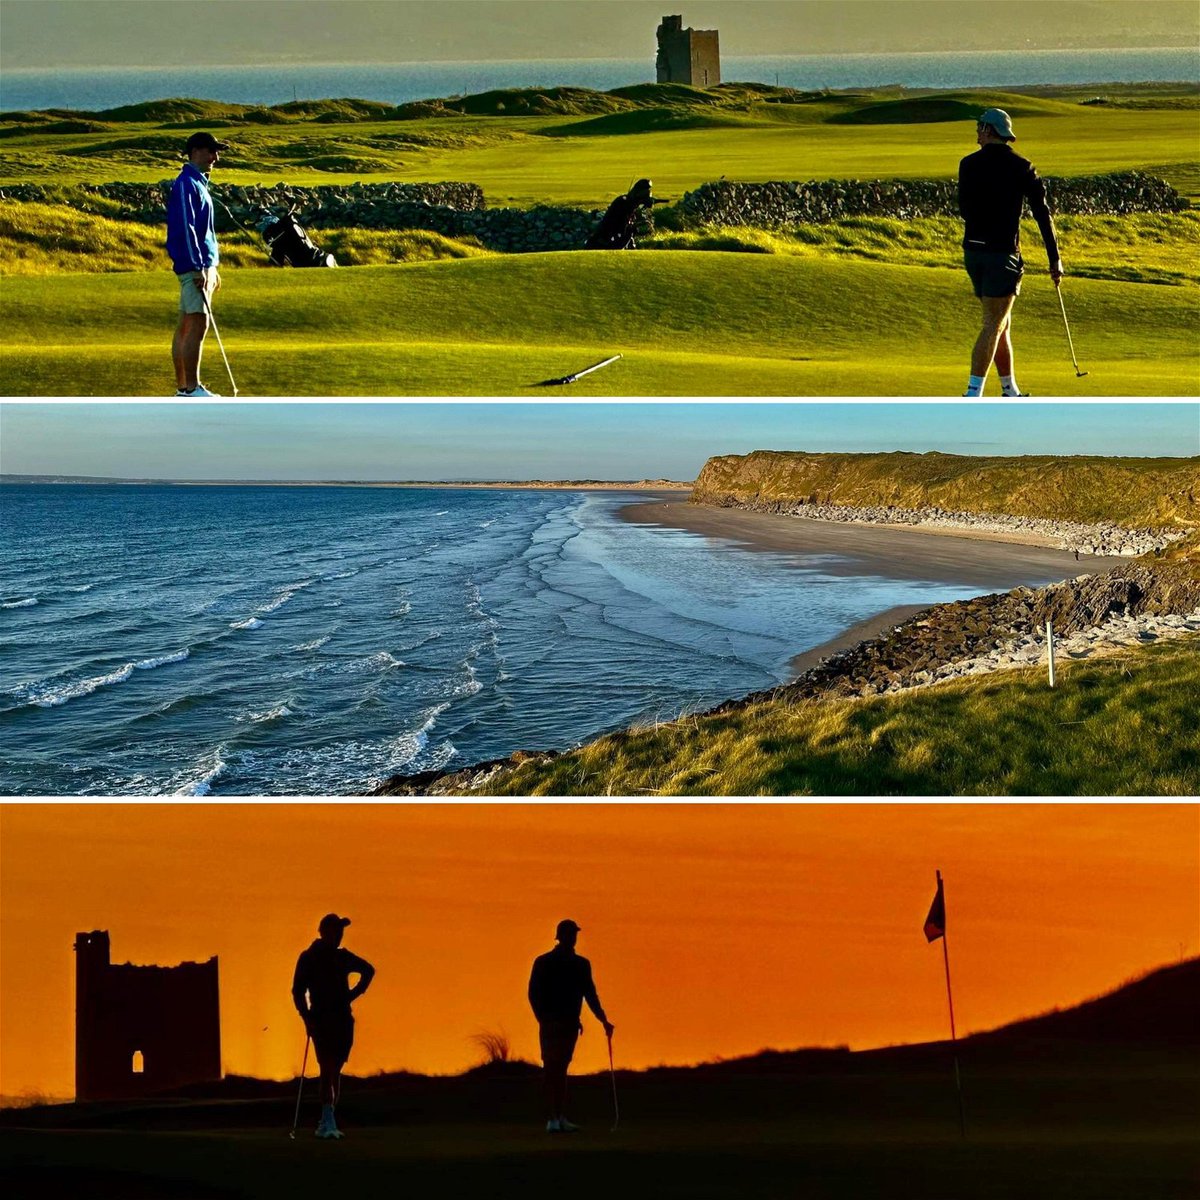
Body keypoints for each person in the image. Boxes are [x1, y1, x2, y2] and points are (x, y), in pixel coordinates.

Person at [958, 108, 1064, 398]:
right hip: (1001, 254)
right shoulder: (1021, 166)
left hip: (974, 254)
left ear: (990, 130)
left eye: (980, 126)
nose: (977, 131)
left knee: (1001, 322)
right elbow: (1043, 214)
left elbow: (965, 210)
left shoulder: (967, 164)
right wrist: (1054, 258)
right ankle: (973, 393)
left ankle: (1010, 390)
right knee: (993, 323)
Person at [291, 913, 375, 1140]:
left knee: (335, 1070)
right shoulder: (309, 958)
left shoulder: (342, 957)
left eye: (341, 932)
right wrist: (306, 1016)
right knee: (326, 1069)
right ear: (324, 932)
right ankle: (327, 1120)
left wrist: (351, 995)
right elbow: (298, 991)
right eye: (336, 932)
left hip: (342, 1020)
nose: (339, 936)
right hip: (321, 1019)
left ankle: (329, 1118)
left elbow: (369, 970)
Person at [528, 918, 614, 1133]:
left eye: (574, 934)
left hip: (568, 1024)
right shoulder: (546, 962)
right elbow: (534, 994)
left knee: (560, 1069)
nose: (573, 938)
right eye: (570, 934)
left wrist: (603, 1019)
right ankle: (552, 1119)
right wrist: (544, 1019)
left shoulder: (580, 964)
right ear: (561, 937)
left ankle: (559, 1117)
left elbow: (590, 995)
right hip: (553, 1024)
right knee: (552, 1069)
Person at [167, 131, 228, 397]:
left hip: (202, 265)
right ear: (193, 152)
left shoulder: (198, 182)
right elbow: (185, 229)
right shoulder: (186, 183)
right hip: (195, 266)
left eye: (216, 152)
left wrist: (212, 266)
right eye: (209, 151)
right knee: (195, 325)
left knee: (188, 324)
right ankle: (190, 388)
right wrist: (201, 266)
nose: (215, 157)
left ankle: (184, 387)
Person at [585, 178, 658, 249]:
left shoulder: (628, 203)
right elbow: (623, 226)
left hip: (608, 240)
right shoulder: (624, 202)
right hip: (602, 243)